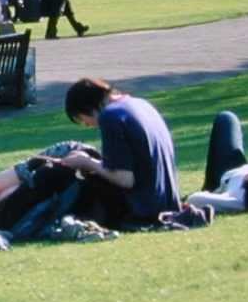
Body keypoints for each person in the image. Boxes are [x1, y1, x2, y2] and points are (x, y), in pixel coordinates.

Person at [57, 78, 181, 229]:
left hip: (143, 209)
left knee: (65, 177)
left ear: (87, 108)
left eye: (83, 120)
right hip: (167, 202)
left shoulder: (110, 116)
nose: (88, 125)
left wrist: (87, 162)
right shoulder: (141, 104)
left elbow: (124, 179)